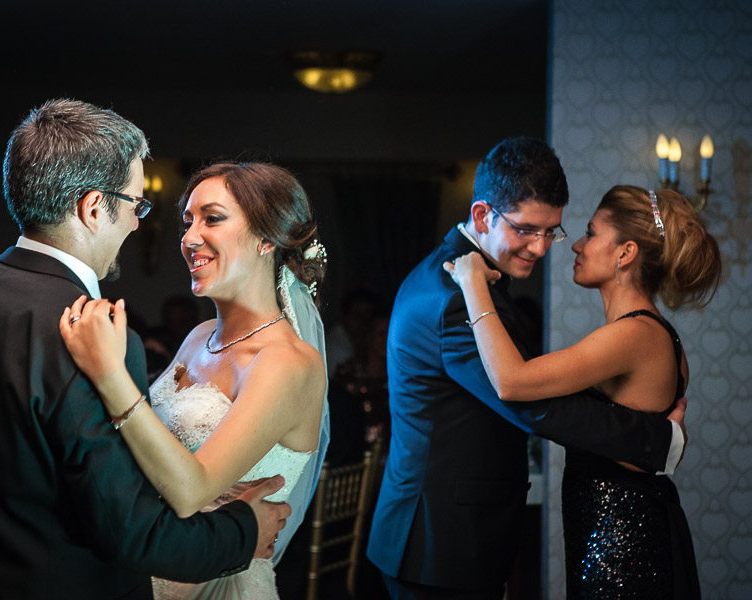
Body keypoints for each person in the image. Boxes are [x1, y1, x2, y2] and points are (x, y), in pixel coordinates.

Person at [0, 100, 288, 600]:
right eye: (136, 206)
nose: (139, 224)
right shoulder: (97, 336)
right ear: (94, 207)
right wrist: (244, 530)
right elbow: (131, 532)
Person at [367, 137, 687, 600]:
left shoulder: (470, 277)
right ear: (482, 216)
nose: (540, 248)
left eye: (551, 231)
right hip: (438, 544)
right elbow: (527, 402)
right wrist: (657, 440)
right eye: (526, 230)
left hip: (451, 539)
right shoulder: (456, 295)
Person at [60, 161, 330, 599]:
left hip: (218, 580)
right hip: (152, 562)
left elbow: (190, 491)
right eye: (188, 221)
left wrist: (110, 373)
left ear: (266, 239)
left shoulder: (288, 363)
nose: (188, 238)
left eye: (213, 218)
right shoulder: (200, 336)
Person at [446, 185, 719, 599]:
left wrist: (472, 283)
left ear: (625, 253)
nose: (576, 244)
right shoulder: (652, 335)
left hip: (622, 553)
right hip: (622, 540)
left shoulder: (633, 335)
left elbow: (512, 381)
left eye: (591, 233)